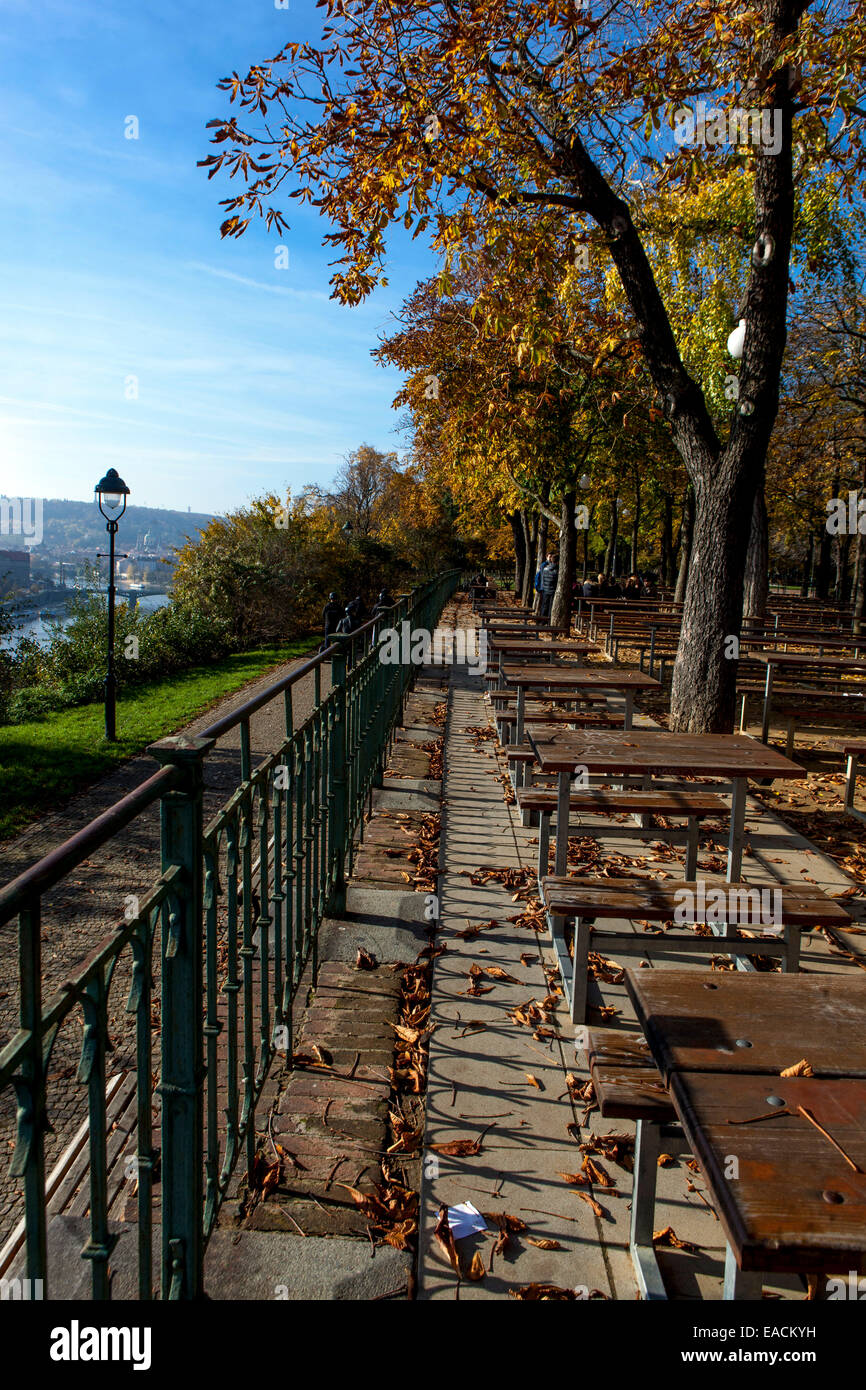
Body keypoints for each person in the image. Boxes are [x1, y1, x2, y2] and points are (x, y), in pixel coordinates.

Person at [539, 552, 558, 619]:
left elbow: (543, 578)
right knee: (551, 607)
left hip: (545, 590)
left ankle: (542, 620)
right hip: (552, 590)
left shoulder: (545, 569)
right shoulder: (557, 571)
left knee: (544, 605)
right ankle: (549, 620)